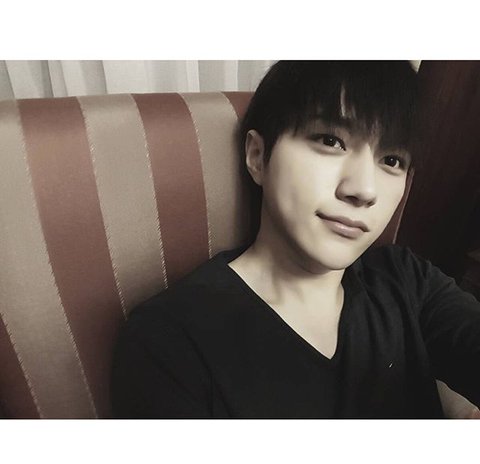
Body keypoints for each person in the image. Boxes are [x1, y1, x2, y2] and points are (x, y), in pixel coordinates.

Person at [111, 61, 480, 418]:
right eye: (331, 141)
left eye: (392, 160)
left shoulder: (406, 279)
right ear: (258, 156)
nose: (364, 190)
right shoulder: (170, 340)